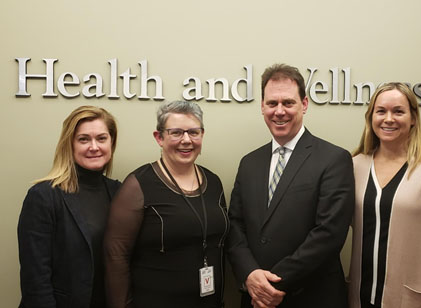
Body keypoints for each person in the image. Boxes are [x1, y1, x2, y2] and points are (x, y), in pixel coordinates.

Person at [226, 63, 355, 308]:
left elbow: (329, 234)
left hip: (311, 297)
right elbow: (235, 224)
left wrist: (271, 285)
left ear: (304, 104)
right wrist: (250, 275)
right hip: (255, 296)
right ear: (262, 106)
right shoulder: (249, 162)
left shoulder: (334, 159)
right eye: (272, 103)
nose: (279, 111)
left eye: (288, 102)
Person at [104, 100, 229, 308]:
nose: (186, 140)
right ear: (159, 137)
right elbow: (115, 256)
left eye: (193, 132)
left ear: (202, 135)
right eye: (176, 133)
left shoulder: (213, 182)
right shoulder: (138, 185)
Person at [348, 82, 421, 308]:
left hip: (416, 300)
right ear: (371, 117)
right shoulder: (353, 166)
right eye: (381, 111)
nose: (388, 118)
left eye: (398, 111)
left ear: (413, 118)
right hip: (360, 296)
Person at [18, 106, 121, 308]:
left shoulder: (119, 192)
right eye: (83, 139)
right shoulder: (43, 196)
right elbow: (35, 279)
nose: (94, 146)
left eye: (101, 138)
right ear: (69, 144)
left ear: (111, 142)